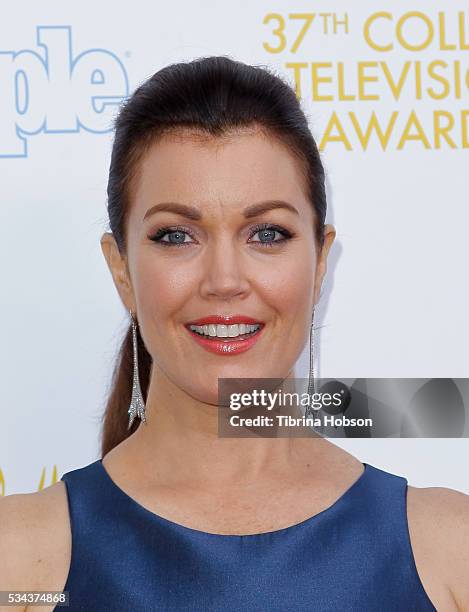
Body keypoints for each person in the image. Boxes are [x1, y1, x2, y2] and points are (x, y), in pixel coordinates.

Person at [1, 55, 468, 612]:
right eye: (176, 236)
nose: (224, 281)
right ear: (121, 269)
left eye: (267, 233)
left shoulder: (449, 552)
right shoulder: (22, 561)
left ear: (320, 262)